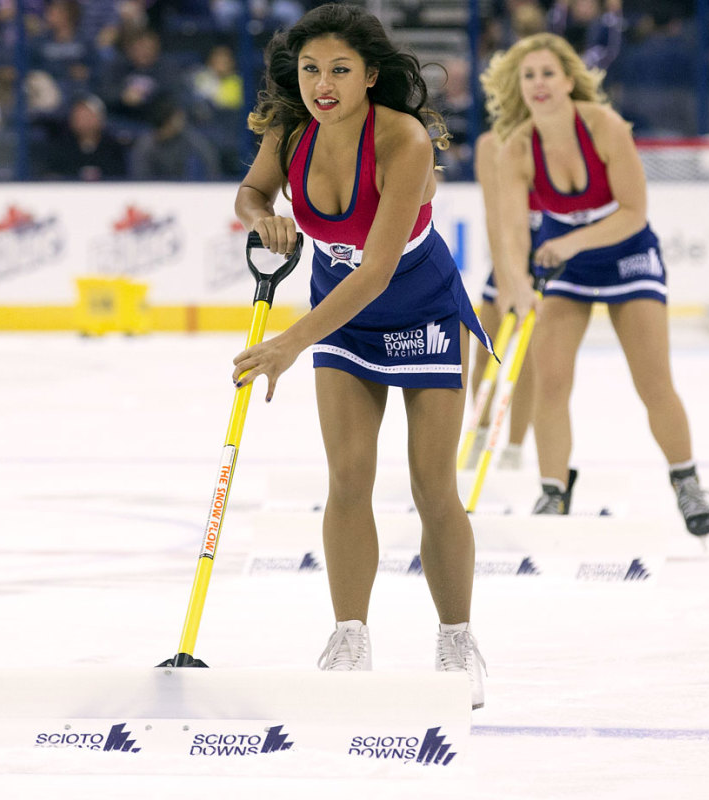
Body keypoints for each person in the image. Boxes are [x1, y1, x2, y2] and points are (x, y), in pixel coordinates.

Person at [230, 3, 506, 708]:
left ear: (369, 76)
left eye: (340, 70)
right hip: (343, 318)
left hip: (420, 308)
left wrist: (292, 341)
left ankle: (456, 640)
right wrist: (264, 216)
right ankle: (349, 635)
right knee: (347, 476)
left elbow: (379, 269)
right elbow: (253, 190)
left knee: (430, 484)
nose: (323, 83)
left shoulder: (404, 140)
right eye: (312, 69)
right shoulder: (290, 128)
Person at [479, 33, 709, 536]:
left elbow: (634, 213)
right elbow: (512, 235)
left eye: (548, 73)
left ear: (569, 81)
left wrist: (568, 243)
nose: (538, 84)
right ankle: (554, 491)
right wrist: (517, 288)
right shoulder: (516, 149)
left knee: (652, 382)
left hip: (625, 253)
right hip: (565, 266)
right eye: (529, 76)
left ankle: (686, 481)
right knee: (551, 380)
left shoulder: (605, 127)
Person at [464, 128, 540, 472]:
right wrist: (509, 279)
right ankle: (480, 433)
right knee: (486, 355)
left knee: (527, 361)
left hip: (546, 261)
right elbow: (495, 219)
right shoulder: (490, 144)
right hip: (506, 263)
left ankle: (513, 447)